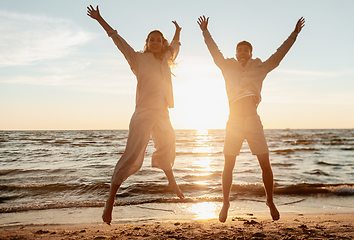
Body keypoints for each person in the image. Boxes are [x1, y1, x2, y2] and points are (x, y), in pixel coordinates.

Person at [197, 15, 305, 222]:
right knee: (228, 164)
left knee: (265, 163)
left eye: (246, 49)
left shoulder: (260, 68)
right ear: (236, 53)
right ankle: (225, 202)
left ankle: (270, 200)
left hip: (253, 120)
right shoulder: (227, 66)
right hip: (234, 121)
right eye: (239, 49)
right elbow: (214, 51)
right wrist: (205, 32)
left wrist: (294, 34)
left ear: (251, 53)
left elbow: (279, 55)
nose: (242, 52)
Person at [87, 5, 185, 225]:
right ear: (147, 43)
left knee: (169, 142)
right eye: (151, 39)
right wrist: (100, 19)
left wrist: (178, 30)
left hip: (162, 112)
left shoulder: (166, 58)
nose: (155, 42)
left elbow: (177, 45)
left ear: (163, 43)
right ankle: (109, 202)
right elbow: (117, 39)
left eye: (158, 39)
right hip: (142, 113)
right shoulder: (137, 59)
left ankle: (171, 181)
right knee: (132, 156)